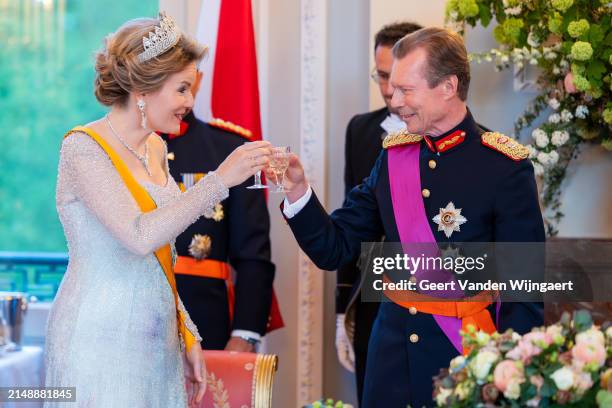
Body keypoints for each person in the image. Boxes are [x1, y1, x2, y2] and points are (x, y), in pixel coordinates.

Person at [273, 27, 544, 407]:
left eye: (406, 90)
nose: (393, 99)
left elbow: (524, 291)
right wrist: (297, 191)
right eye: (391, 87)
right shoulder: (393, 158)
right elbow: (335, 248)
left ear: (448, 87)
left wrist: (511, 377)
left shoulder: (503, 167)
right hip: (390, 359)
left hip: (465, 359)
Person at [45, 13, 272, 407]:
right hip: (98, 337)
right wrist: (219, 180)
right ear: (143, 89)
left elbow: (160, 256)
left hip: (155, 339)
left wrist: (186, 332)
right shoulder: (83, 149)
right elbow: (139, 236)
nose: (189, 101)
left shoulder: (154, 147)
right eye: (182, 88)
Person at [335, 21, 421, 404]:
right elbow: (350, 221)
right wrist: (342, 312)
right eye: (381, 75)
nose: (387, 89)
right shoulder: (360, 130)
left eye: (396, 78)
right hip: (371, 296)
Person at [161, 70, 276, 352]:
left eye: (186, 83)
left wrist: (245, 333)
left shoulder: (228, 148)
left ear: (198, 79)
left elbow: (253, 253)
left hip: (207, 322)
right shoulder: (121, 149)